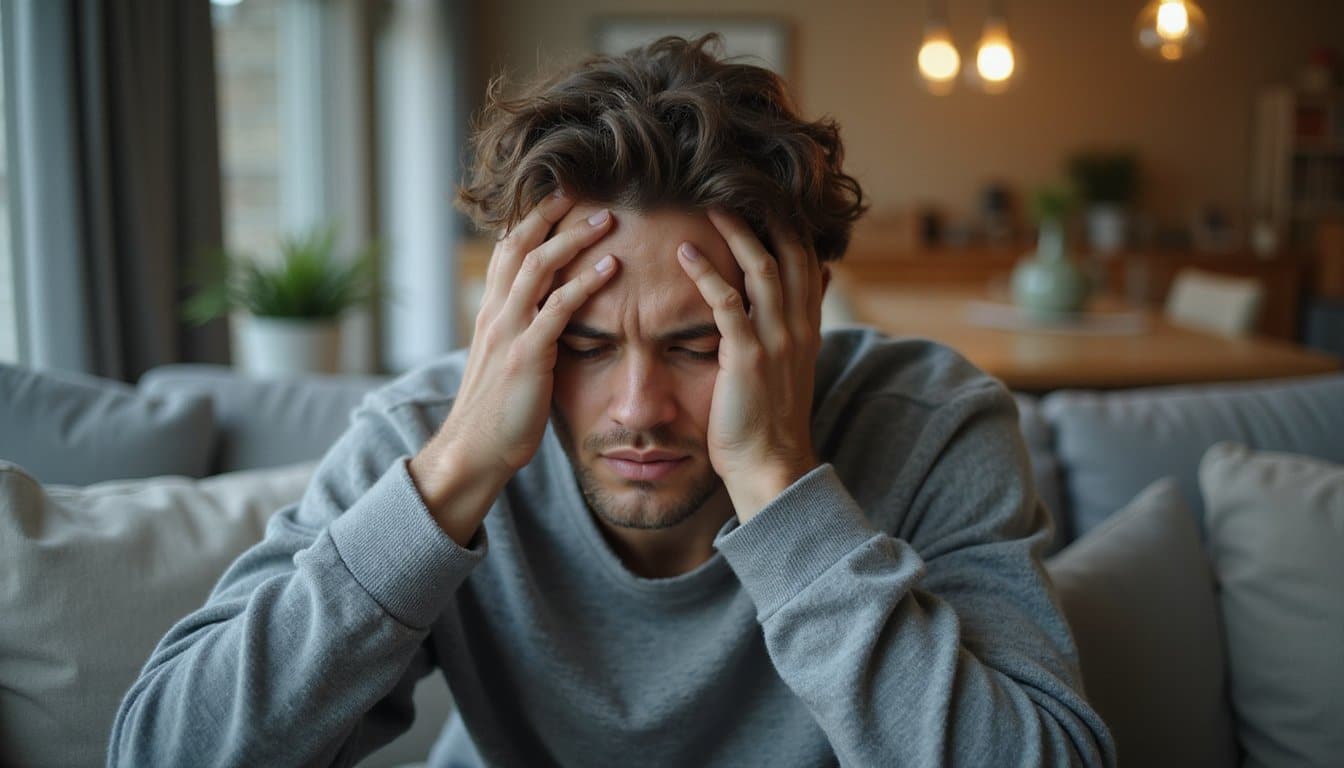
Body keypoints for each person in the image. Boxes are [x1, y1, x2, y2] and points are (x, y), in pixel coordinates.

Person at [110, 35, 1114, 767]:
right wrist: (452, 478)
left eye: (700, 345)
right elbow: (159, 751)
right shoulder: (432, 438)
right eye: (584, 346)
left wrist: (779, 486)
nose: (639, 407)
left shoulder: (931, 424)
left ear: (801, 316)